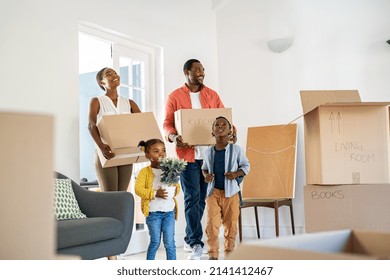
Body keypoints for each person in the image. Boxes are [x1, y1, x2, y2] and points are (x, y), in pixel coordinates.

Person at [163, 59, 236, 260]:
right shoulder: (175, 96)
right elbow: (167, 124)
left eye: (203, 69)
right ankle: (195, 241)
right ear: (187, 72)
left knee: (203, 197)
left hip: (210, 156)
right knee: (191, 197)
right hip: (187, 157)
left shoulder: (211, 94)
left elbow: (225, 119)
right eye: (197, 70)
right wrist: (174, 137)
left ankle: (188, 238)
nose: (201, 73)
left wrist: (232, 130)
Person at [202, 116, 250, 260]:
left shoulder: (236, 150)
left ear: (230, 132)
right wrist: (206, 175)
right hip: (213, 192)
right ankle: (213, 255)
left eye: (224, 124)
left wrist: (236, 174)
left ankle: (230, 254)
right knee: (212, 224)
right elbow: (204, 168)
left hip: (231, 193)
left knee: (231, 224)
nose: (220, 126)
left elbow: (246, 166)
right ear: (212, 132)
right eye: (217, 125)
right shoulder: (208, 152)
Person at [88, 67, 141, 192]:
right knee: (110, 195)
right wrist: (101, 146)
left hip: (125, 153)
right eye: (109, 74)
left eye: (115, 73)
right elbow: (91, 124)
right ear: (102, 83)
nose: (114, 75)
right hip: (106, 152)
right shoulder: (97, 101)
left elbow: (141, 125)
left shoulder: (129, 103)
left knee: (121, 195)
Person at [135, 139, 180, 260]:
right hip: (153, 213)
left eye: (163, 150)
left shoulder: (169, 169)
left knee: (170, 243)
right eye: (156, 151)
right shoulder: (144, 172)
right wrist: (155, 193)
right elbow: (138, 189)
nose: (161, 154)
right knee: (155, 242)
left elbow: (177, 188)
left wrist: (174, 189)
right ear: (147, 155)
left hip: (169, 212)